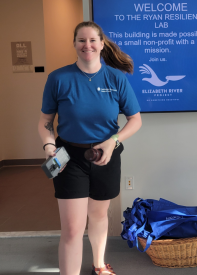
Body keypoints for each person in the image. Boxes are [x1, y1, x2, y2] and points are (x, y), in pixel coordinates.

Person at [38, 21, 142, 275]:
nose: (87, 45)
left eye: (93, 40)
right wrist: (49, 145)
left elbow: (136, 120)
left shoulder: (116, 78)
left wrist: (112, 141)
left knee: (98, 215)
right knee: (72, 228)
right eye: (82, 40)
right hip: (68, 158)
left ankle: (99, 264)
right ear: (74, 44)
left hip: (105, 155)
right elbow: (45, 122)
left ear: (101, 44)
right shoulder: (58, 78)